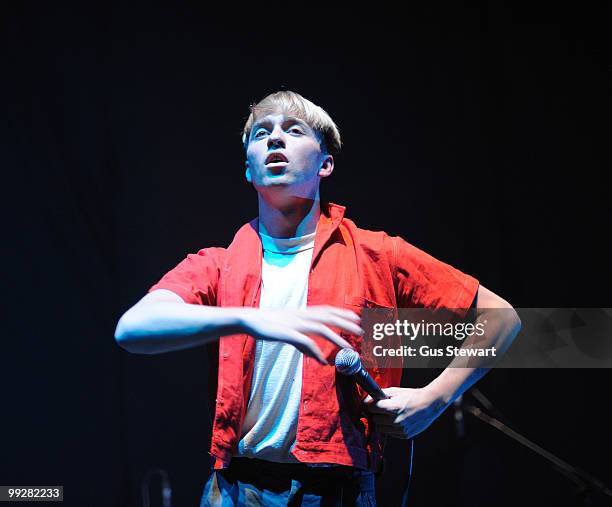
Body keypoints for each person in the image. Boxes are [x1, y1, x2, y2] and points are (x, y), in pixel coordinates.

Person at [114, 91, 521, 506]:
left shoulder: (378, 254)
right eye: (261, 134)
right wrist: (247, 319)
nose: (275, 140)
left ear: (325, 164)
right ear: (248, 169)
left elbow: (502, 317)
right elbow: (133, 328)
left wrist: (435, 397)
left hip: (335, 487)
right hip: (236, 488)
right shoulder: (218, 265)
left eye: (293, 130)